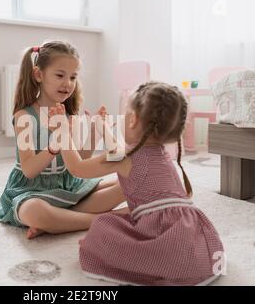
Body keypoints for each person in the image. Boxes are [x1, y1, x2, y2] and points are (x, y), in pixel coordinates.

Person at [53, 81, 225, 286]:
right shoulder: (161, 153)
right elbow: (119, 151)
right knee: (126, 215)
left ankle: (157, 264)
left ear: (133, 119)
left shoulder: (125, 156)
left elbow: (77, 169)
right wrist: (103, 127)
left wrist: (62, 131)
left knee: (102, 225)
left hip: (163, 239)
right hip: (192, 237)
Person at [0, 40, 126, 239]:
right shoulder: (25, 117)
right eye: (60, 75)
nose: (68, 83)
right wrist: (56, 143)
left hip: (68, 186)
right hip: (32, 190)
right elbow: (29, 170)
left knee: (129, 181)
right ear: (39, 75)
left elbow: (78, 163)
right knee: (35, 211)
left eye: (73, 77)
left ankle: (61, 221)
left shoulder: (69, 116)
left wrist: (94, 133)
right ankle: (108, 218)